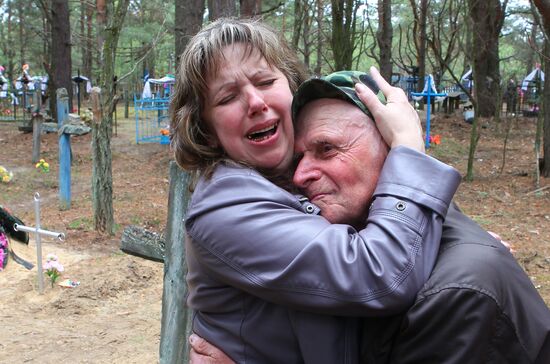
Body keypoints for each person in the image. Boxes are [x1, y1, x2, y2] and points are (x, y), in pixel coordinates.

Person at [189, 70, 550, 363]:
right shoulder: (375, 236)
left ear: (393, 155)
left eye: (327, 149)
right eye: (298, 159)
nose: (299, 177)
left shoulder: (454, 295)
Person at [171, 18, 460, 363]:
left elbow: (389, 207)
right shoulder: (224, 208)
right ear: (207, 130)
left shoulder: (296, 168)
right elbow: (380, 274)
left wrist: (455, 241)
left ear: (292, 86)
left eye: (265, 81)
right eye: (227, 97)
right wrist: (409, 148)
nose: (255, 102)